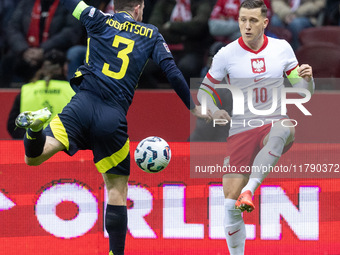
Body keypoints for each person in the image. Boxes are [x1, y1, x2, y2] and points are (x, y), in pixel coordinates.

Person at [14, 0, 210, 254]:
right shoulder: (151, 33)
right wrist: (193, 107)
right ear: (139, 7)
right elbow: (172, 72)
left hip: (81, 106)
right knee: (116, 190)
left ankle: (35, 129)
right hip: (112, 117)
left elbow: (71, 3)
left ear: (116, 5)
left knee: (34, 157)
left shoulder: (96, 17)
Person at [197, 0, 314, 254]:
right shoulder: (226, 54)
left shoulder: (281, 48)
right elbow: (204, 91)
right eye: (242, 20)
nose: (246, 26)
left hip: (272, 124)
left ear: (265, 22)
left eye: (252, 21)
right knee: (229, 207)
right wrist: (214, 108)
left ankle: (250, 189)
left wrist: (308, 79)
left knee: (284, 126)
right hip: (241, 129)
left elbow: (303, 92)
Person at [0, 0, 82, 87]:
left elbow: (71, 31)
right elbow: (12, 28)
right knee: (8, 60)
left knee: (65, 57)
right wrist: (24, 50)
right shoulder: (26, 3)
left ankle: (70, 93)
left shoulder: (69, 3)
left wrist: (43, 49)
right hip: (26, 50)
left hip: (56, 49)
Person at [139, 0, 212, 88]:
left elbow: (199, 26)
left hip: (191, 50)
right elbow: (154, 27)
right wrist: (182, 36)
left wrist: (171, 26)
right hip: (164, 50)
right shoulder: (164, 3)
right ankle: (157, 97)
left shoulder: (201, 3)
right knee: (141, 67)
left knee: (186, 67)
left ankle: (185, 98)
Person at [7, 49, 75, 139]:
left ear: (43, 66)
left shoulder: (27, 89)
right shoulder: (72, 89)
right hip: (62, 146)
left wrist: (29, 141)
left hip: (31, 148)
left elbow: (13, 125)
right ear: (64, 67)